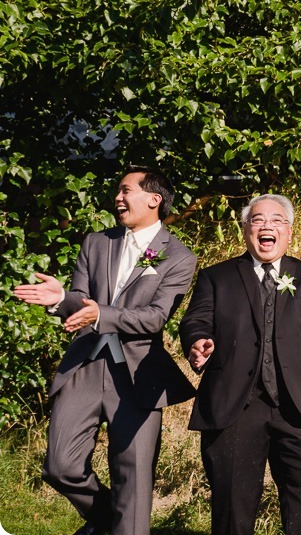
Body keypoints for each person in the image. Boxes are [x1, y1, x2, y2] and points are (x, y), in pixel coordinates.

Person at [13, 166, 197, 535]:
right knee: (60, 466)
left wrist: (103, 313)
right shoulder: (96, 242)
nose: (118, 197)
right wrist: (62, 298)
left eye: (125, 190)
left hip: (137, 372)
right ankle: (107, 520)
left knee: (133, 478)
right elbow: (81, 299)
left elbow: (155, 317)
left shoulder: (178, 256)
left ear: (153, 199)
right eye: (117, 190)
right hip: (85, 366)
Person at [178, 193, 301, 535]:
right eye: (258, 220)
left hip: (296, 406)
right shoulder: (216, 277)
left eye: (276, 220)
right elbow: (195, 320)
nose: (267, 226)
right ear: (245, 229)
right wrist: (197, 343)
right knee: (233, 505)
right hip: (234, 405)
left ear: (289, 232)